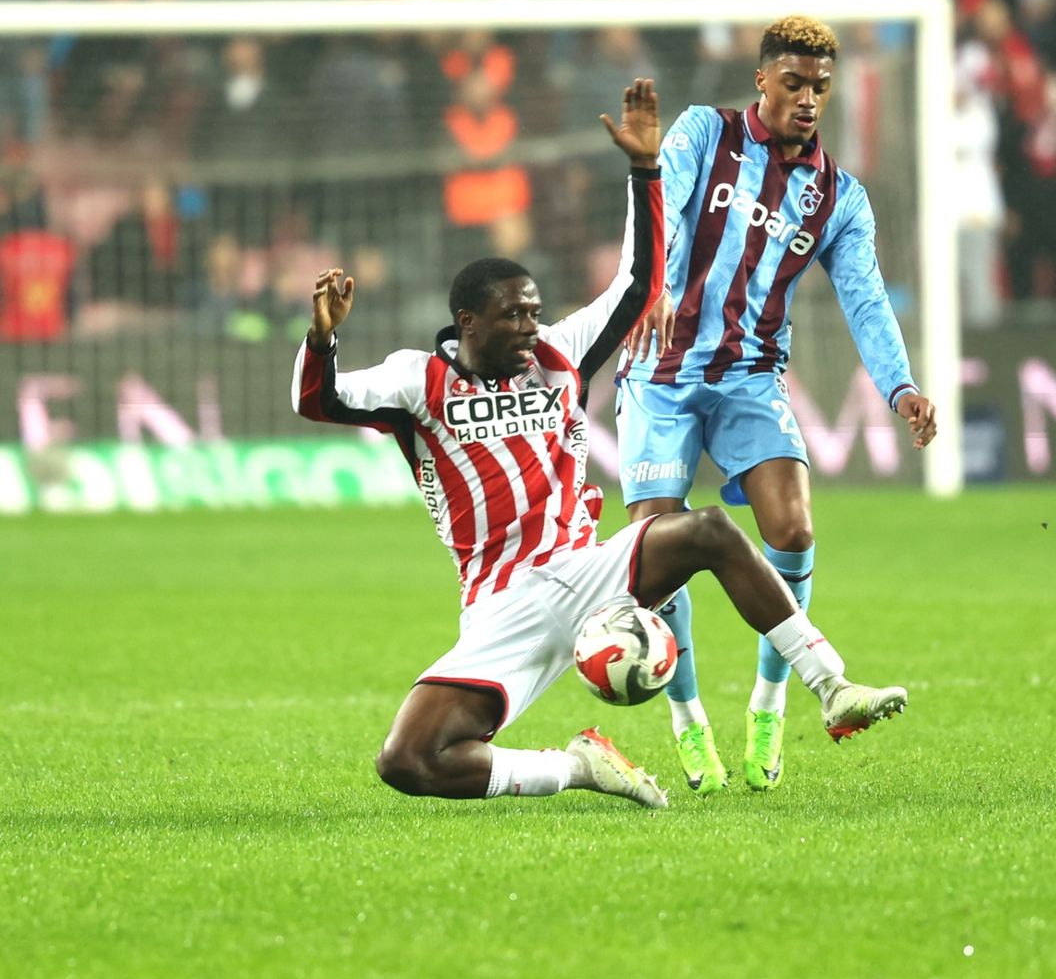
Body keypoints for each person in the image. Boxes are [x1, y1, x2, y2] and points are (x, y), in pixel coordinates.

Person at [292, 78, 869, 809]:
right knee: (408, 761)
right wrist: (322, 336)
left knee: (712, 530)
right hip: (503, 604)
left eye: (535, 313)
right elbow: (320, 399)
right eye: (514, 317)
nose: (531, 328)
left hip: (591, 566)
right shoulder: (418, 382)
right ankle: (576, 768)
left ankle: (830, 684)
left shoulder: (562, 355)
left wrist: (645, 172)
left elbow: (640, 281)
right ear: (468, 322)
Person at [615, 16, 936, 797]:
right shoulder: (703, 132)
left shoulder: (838, 197)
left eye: (820, 87)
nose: (808, 99)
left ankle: (770, 700)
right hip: (661, 372)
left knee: (791, 528)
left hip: (751, 378)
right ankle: (687, 717)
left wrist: (901, 386)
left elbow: (864, 299)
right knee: (660, 552)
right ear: (762, 79)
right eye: (793, 82)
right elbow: (668, 201)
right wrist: (652, 285)